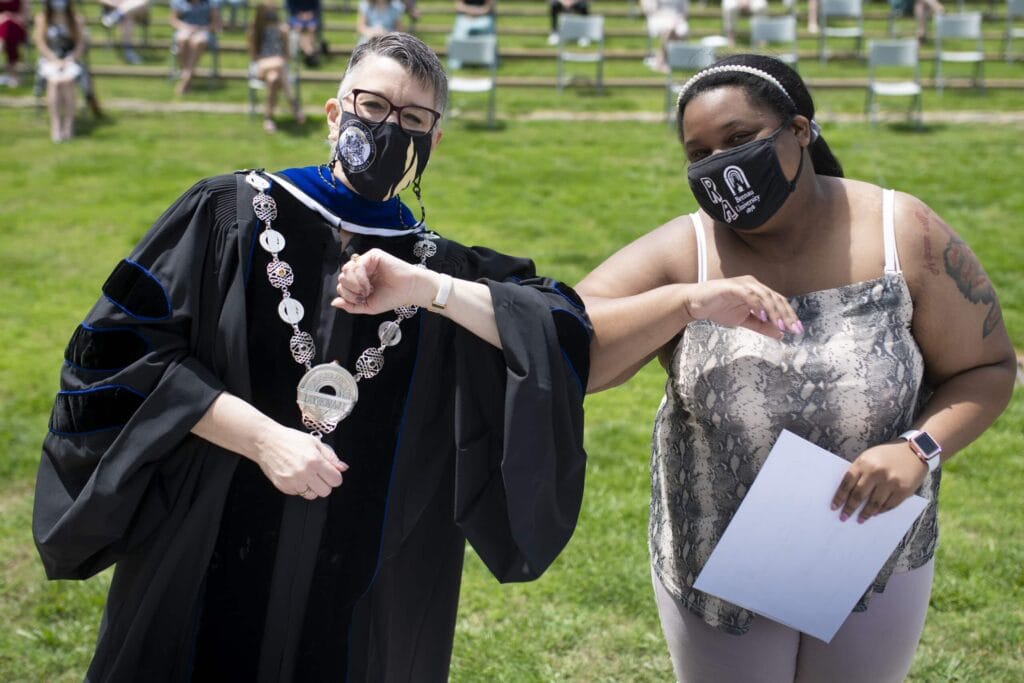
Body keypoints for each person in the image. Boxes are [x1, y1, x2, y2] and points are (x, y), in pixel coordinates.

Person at [33, 32, 590, 682]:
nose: (388, 131)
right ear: (334, 114)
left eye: (413, 120)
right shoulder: (229, 213)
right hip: (202, 544)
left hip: (362, 579)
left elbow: (558, 327)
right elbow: (120, 355)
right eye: (373, 106)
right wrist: (264, 437)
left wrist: (431, 290)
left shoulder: (440, 269)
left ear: (434, 141)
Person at [575, 54, 1016, 682]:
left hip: (870, 550)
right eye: (698, 152)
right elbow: (573, 345)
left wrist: (919, 448)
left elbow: (989, 367)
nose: (719, 165)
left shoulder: (904, 232)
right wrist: (681, 302)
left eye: (738, 140)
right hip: (718, 564)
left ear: (801, 130)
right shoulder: (688, 250)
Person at [33, 0, 87, 142]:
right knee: (55, 82)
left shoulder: (76, 19)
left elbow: (80, 44)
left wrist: (69, 59)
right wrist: (54, 60)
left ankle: (68, 126)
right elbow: (41, 43)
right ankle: (56, 125)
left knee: (68, 81)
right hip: (50, 60)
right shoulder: (43, 18)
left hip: (70, 59)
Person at [247, 1, 304, 133]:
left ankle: (268, 119)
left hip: (279, 68)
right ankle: (293, 103)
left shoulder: (282, 30)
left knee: (273, 78)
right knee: (278, 64)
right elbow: (254, 56)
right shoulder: (254, 30)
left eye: (273, 14)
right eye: (268, 15)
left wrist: (278, 60)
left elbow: (287, 55)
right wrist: (275, 61)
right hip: (261, 66)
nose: (271, 18)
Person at [169, 0, 221, 95]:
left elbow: (216, 23)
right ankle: (187, 78)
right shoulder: (179, 2)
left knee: (198, 41)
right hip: (184, 29)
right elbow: (173, 20)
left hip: (204, 30)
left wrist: (201, 29)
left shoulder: (211, 3)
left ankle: (185, 79)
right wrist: (187, 27)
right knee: (183, 39)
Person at [641, 0, 689, 73]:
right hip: (658, 17)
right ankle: (662, 60)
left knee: (681, 29)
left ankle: (662, 59)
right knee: (669, 29)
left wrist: (678, 18)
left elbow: (684, 11)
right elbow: (651, 9)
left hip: (676, 18)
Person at [0, 0, 30, 86]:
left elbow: (26, 16)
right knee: (7, 30)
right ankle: (13, 76)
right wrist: (3, 18)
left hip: (17, 27)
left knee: (8, 27)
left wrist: (11, 17)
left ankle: (1, 45)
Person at [286, 0, 322, 67]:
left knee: (312, 27)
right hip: (296, 17)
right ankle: (310, 53)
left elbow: (317, 8)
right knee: (298, 28)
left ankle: (310, 52)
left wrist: (309, 14)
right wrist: (301, 14)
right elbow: (290, 7)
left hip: (311, 17)